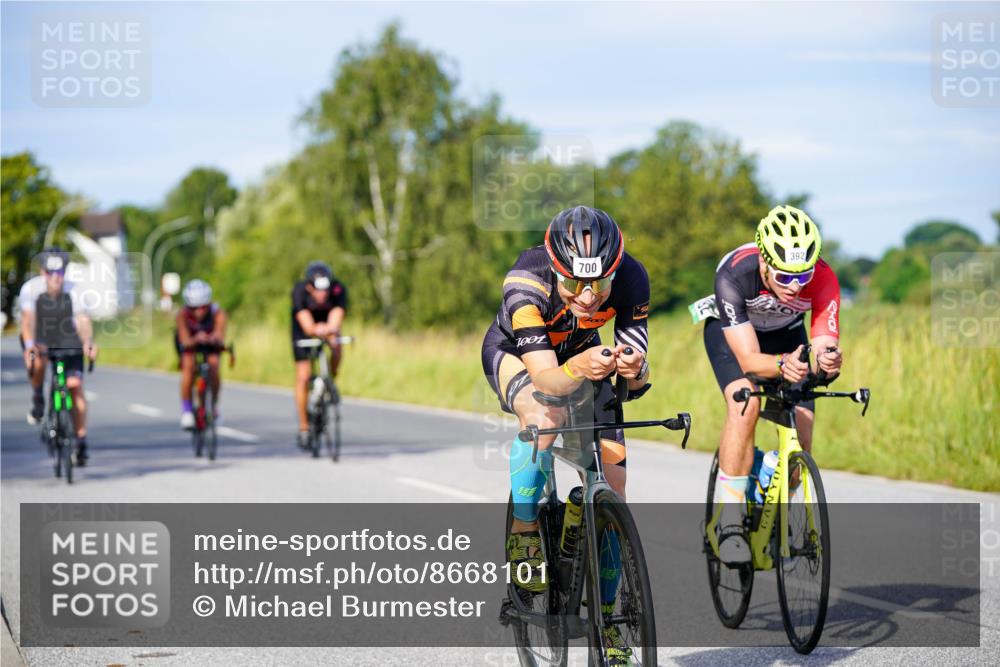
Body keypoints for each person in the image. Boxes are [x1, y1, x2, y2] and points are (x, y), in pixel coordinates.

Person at [481, 205, 650, 663]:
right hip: (519, 354)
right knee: (545, 416)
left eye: (600, 283)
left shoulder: (633, 277)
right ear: (556, 269)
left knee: (613, 477)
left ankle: (612, 615)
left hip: (581, 353)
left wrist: (635, 369)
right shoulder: (526, 281)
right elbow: (549, 381)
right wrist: (578, 366)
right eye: (575, 284)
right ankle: (524, 528)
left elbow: (637, 379)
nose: (590, 296)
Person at [702, 204, 843, 564]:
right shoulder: (735, 273)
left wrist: (827, 360)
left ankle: (773, 481)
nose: (795, 287)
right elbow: (749, 360)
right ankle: (730, 521)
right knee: (745, 404)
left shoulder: (824, 278)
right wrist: (781, 365)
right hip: (734, 336)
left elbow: (824, 341)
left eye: (803, 275)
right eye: (784, 277)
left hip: (785, 336)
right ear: (764, 261)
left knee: (803, 428)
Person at [18, 247, 98, 465]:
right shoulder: (31, 289)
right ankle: (37, 396)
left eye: (60, 273)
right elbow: (28, 321)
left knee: (74, 386)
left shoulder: (76, 290)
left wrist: (88, 343)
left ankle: (81, 440)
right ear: (42, 272)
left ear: (65, 272)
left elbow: (82, 321)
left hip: (67, 338)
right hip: (40, 335)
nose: (55, 277)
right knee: (37, 361)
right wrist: (29, 346)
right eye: (50, 272)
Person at [291, 261, 347, 449]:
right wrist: (316, 329)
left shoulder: (338, 289)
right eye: (318, 290)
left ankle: (330, 381)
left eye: (326, 290)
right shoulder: (299, 292)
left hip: (326, 324)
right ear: (309, 287)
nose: (323, 294)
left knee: (337, 345)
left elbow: (337, 316)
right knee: (304, 376)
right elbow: (307, 325)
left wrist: (331, 331)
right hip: (303, 329)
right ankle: (304, 427)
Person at [176, 279, 227, 429]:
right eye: (194, 307)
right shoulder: (182, 315)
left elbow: (219, 334)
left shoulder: (218, 313)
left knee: (214, 366)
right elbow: (184, 340)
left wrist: (212, 338)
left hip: (210, 344)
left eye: (203, 307)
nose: (199, 311)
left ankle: (214, 406)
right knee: (188, 367)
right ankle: (186, 411)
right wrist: (196, 338)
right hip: (191, 344)